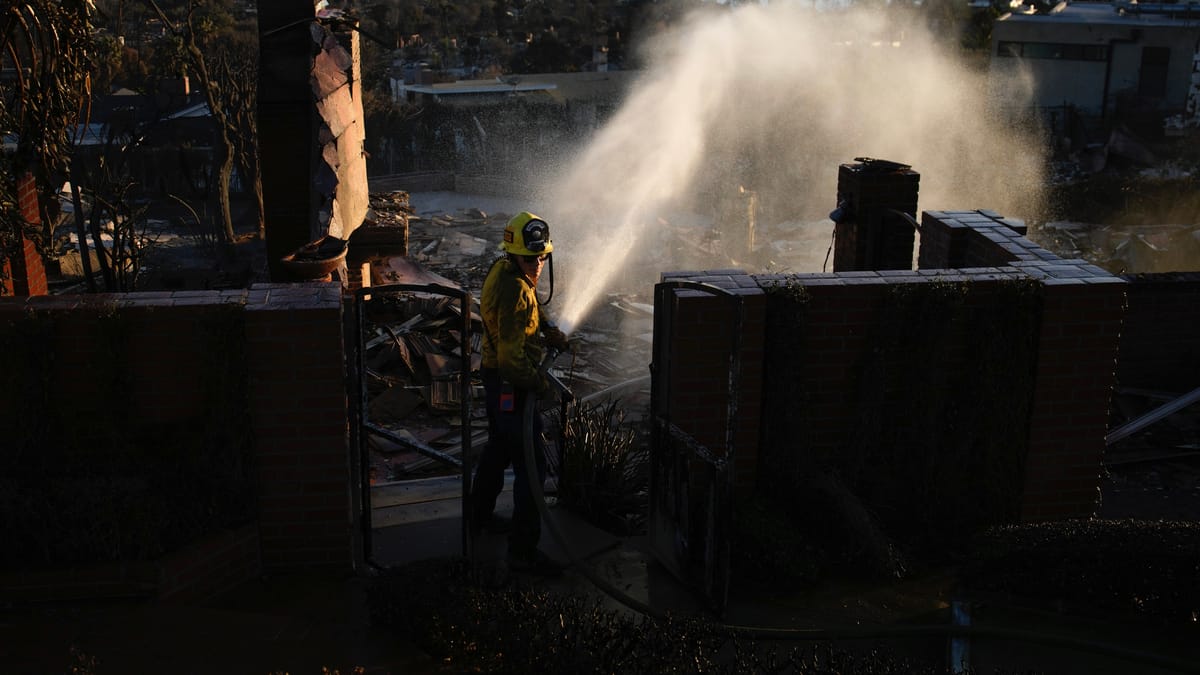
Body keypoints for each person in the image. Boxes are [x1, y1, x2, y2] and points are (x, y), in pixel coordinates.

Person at [470, 211, 568, 576]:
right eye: (532, 258)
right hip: (511, 384)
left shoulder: (506, 272)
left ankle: (478, 517)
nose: (538, 264)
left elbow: (531, 308)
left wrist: (550, 329)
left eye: (542, 257)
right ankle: (523, 552)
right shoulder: (514, 290)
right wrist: (540, 385)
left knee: (497, 450)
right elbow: (513, 361)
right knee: (532, 465)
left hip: (496, 381)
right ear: (515, 254)